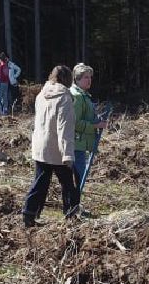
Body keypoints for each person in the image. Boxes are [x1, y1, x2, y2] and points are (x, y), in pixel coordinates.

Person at [22, 65, 79, 227]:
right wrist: (68, 155)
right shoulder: (65, 98)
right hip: (57, 149)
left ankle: (29, 214)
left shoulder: (41, 95)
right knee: (69, 185)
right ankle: (71, 217)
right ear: (68, 80)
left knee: (40, 182)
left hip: (40, 147)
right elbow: (64, 128)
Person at [69, 63, 107, 190]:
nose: (89, 80)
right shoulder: (77, 96)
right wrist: (95, 125)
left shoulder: (84, 95)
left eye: (90, 77)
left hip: (80, 143)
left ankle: (74, 204)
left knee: (78, 177)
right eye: (86, 77)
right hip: (75, 143)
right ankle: (74, 205)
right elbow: (74, 122)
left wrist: (97, 119)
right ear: (77, 79)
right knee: (78, 177)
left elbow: (86, 117)